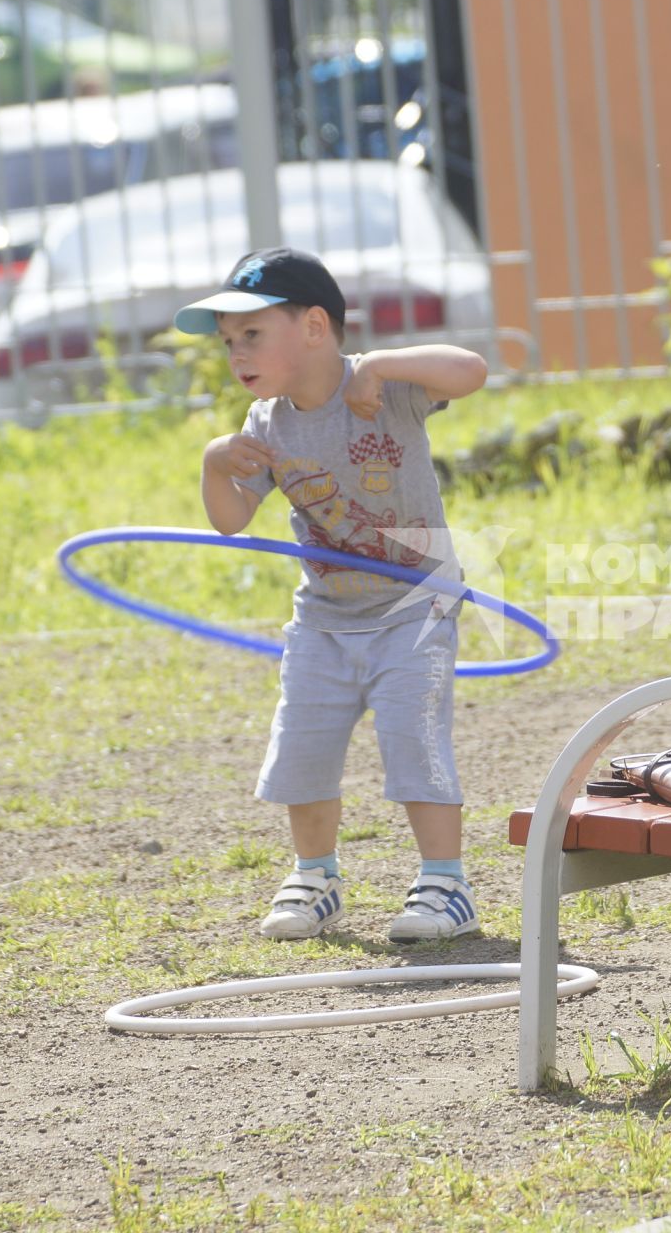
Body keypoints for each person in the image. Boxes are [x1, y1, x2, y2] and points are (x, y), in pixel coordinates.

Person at [186, 247, 489, 942]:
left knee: (412, 739)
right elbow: (231, 520)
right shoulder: (265, 421)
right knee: (303, 748)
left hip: (417, 607)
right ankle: (315, 877)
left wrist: (381, 365)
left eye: (252, 334)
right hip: (324, 617)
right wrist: (212, 461)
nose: (236, 353)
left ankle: (446, 884)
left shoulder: (382, 389)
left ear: (315, 326)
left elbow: (470, 371)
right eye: (229, 341)